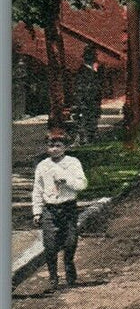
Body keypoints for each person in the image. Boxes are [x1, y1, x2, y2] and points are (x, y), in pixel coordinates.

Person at [32, 133, 88, 291]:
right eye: (51, 146)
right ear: (46, 147)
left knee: (70, 242)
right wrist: (37, 212)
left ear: (65, 147)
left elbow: (82, 184)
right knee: (50, 245)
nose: (54, 149)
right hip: (50, 209)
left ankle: (69, 266)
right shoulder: (42, 166)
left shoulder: (72, 162)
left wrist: (67, 180)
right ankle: (53, 276)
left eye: (58, 146)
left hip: (68, 208)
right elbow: (38, 189)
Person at [72, 46, 103, 145]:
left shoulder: (92, 71)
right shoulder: (84, 71)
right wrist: (81, 102)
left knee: (91, 123)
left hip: (91, 102)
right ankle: (85, 140)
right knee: (86, 123)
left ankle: (89, 139)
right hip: (87, 102)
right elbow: (81, 89)